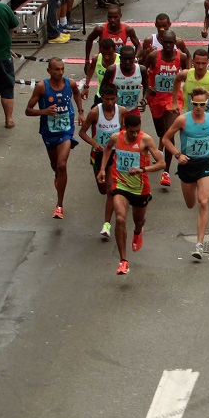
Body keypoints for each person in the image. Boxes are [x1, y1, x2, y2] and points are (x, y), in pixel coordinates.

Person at [160, 86, 209, 259]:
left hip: (204, 163)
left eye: (202, 104)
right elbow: (165, 139)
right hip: (187, 165)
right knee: (190, 204)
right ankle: (198, 191)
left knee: (203, 202)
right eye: (195, 104)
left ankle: (199, 245)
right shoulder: (182, 120)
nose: (198, 107)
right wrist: (177, 154)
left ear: (207, 104)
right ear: (191, 103)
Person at [97, 112, 165, 275]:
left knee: (139, 221)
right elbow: (107, 150)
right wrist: (102, 170)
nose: (135, 134)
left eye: (137, 131)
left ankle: (137, 232)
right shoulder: (115, 138)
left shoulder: (146, 140)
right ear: (125, 128)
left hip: (140, 188)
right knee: (120, 218)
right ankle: (123, 261)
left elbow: (162, 163)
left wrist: (142, 169)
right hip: (120, 184)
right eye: (131, 131)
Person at [25, 58, 83, 218]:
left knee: (62, 164)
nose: (60, 72)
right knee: (55, 166)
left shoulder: (70, 84)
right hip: (49, 132)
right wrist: (43, 112)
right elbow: (28, 110)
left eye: (62, 69)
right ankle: (58, 176)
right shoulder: (42, 87)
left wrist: (81, 111)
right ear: (49, 71)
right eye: (56, 69)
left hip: (66, 131)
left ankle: (59, 205)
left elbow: (77, 94)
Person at [78, 82, 123, 236]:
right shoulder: (95, 113)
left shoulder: (121, 112)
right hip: (98, 153)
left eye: (112, 99)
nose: (110, 102)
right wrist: (94, 143)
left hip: (115, 154)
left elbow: (125, 134)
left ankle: (107, 225)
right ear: (101, 98)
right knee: (103, 189)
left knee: (110, 189)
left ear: (117, 98)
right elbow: (82, 132)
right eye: (106, 99)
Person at [142, 32, 188, 179]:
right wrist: (147, 87)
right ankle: (161, 151)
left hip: (173, 99)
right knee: (161, 133)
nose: (168, 45)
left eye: (171, 43)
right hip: (156, 100)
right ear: (161, 41)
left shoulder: (182, 57)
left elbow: (189, 72)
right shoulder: (153, 56)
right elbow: (141, 71)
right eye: (166, 42)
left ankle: (166, 171)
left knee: (169, 132)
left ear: (175, 42)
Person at [84, 7, 140, 90]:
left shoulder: (128, 30)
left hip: (119, 64)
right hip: (104, 63)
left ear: (120, 16)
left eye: (115, 17)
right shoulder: (100, 29)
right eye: (110, 17)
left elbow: (138, 46)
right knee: (104, 88)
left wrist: (134, 59)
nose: (112, 20)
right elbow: (89, 40)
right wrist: (87, 60)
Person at [173, 49, 209, 124]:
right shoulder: (185, 74)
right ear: (193, 61)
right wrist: (174, 102)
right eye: (197, 63)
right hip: (190, 122)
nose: (200, 66)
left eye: (203, 63)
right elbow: (177, 80)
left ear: (208, 62)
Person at [0, 0, 19, 128]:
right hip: (4, 56)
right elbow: (13, 27)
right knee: (7, 88)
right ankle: (9, 120)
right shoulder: (3, 8)